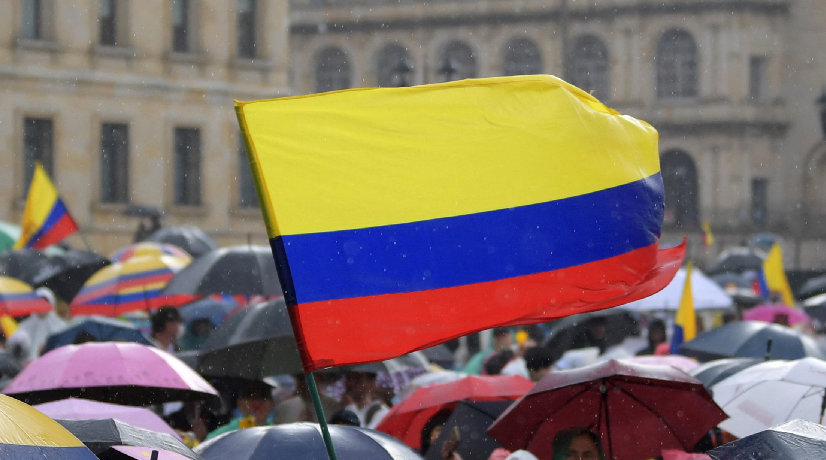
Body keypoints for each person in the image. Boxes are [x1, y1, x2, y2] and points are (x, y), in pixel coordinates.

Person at [205, 384, 276, 440]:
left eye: (263, 397)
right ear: (239, 403)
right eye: (250, 396)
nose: (256, 402)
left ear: (272, 405)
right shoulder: (223, 434)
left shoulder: (277, 432)